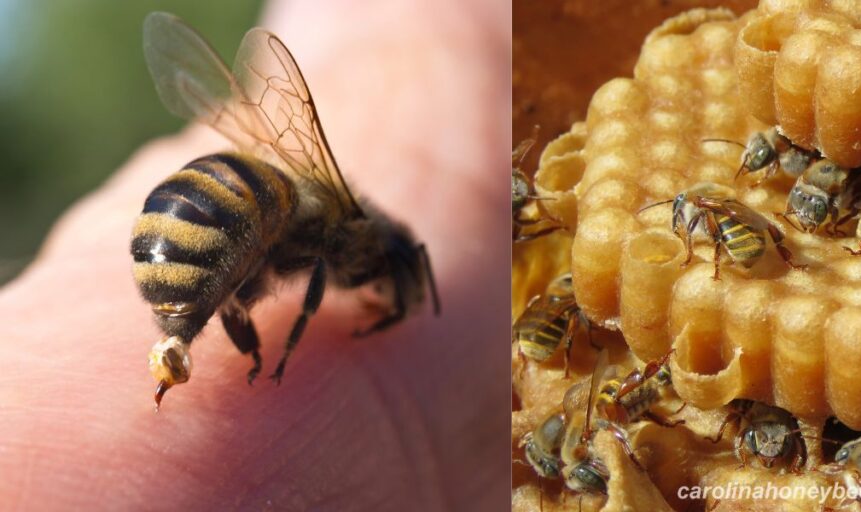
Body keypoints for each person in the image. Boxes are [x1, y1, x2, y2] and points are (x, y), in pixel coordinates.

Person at [0, 0, 508, 509]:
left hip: (181, 215)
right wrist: (286, 351)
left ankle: (191, 338)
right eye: (393, 277)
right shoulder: (340, 231)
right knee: (258, 250)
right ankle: (231, 344)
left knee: (244, 253)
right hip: (208, 218)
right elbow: (297, 266)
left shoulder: (294, 215)